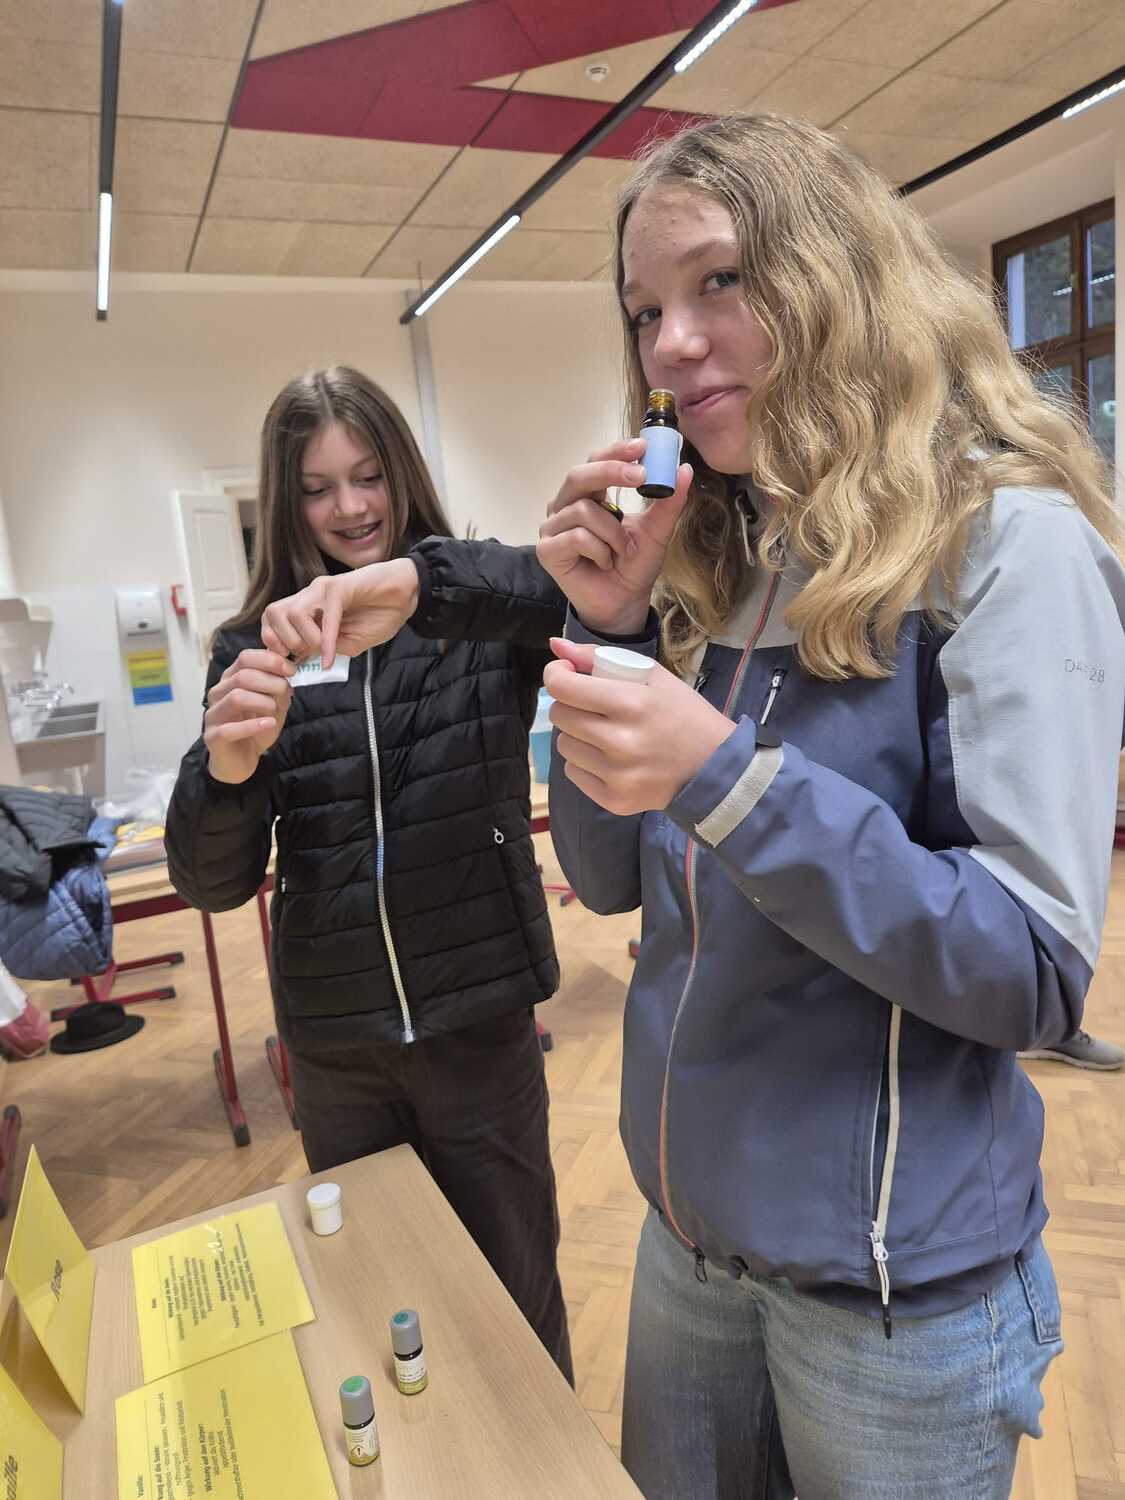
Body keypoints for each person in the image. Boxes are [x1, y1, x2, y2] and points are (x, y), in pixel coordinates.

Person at [534, 114, 1125, 1499]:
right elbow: (608, 879)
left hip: (890, 1304)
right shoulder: (724, 556)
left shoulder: (1009, 544)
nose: (673, 345)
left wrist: (727, 779)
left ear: (839, 279)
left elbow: (1033, 970)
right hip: (688, 1249)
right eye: (645, 310)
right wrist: (608, 631)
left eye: (719, 281)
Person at [165, 366, 572, 1380]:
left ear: (402, 472)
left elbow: (567, 592)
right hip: (336, 1049)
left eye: (368, 475)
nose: (348, 507)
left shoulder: (474, 611)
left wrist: (423, 587)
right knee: (381, 1305)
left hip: (478, 1027)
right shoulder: (254, 647)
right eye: (316, 487)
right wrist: (225, 770)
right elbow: (213, 884)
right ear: (286, 500)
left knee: (516, 1302)